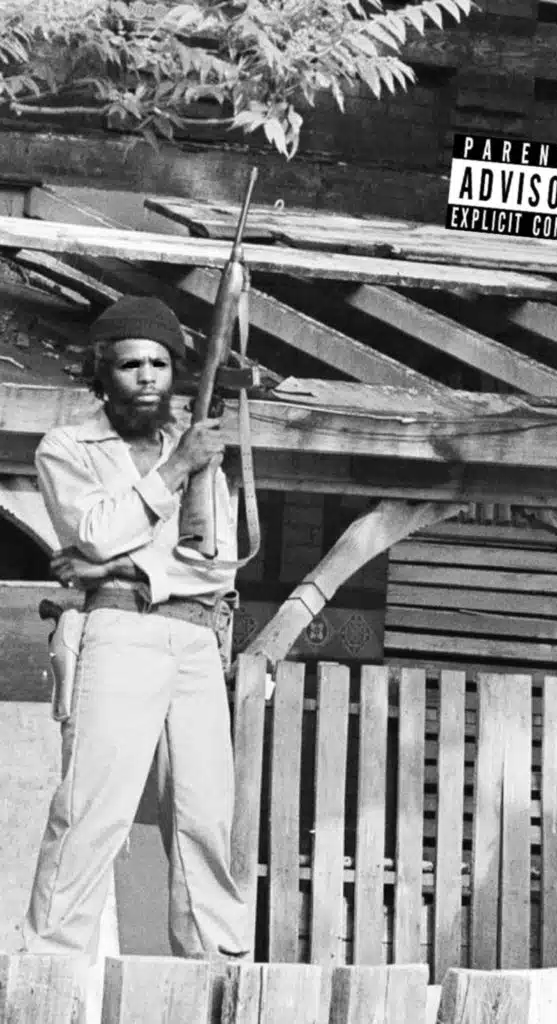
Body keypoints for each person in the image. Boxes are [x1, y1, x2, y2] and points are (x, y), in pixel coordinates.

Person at [24, 295, 248, 960]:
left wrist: (113, 562)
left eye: (159, 363)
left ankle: (216, 967)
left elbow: (218, 564)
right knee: (94, 809)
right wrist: (174, 472)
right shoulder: (69, 447)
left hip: (198, 640)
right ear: (102, 373)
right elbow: (93, 531)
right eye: (130, 365)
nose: (147, 376)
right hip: (122, 629)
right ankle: (52, 963)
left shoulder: (200, 451)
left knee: (207, 817)